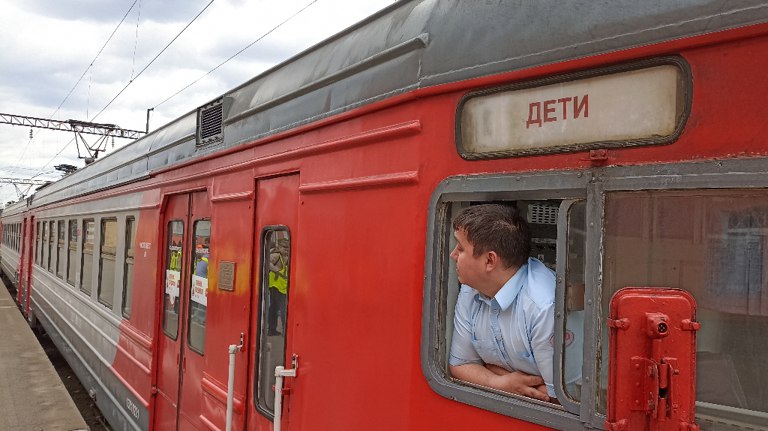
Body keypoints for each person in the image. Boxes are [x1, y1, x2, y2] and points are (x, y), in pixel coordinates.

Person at [449, 204, 556, 402]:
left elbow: (556, 397)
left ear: (490, 260)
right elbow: (459, 365)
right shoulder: (470, 289)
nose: (453, 255)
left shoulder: (543, 306)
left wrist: (488, 371)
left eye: (461, 248)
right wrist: (499, 383)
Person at [267, 237, 289, 336]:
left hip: (281, 286)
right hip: (276, 286)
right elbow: (267, 262)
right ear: (279, 247)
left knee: (274, 308)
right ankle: (284, 330)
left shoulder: (286, 257)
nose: (286, 249)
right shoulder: (276, 255)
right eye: (284, 247)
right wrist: (277, 271)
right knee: (282, 309)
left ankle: (272, 329)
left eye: (287, 247)